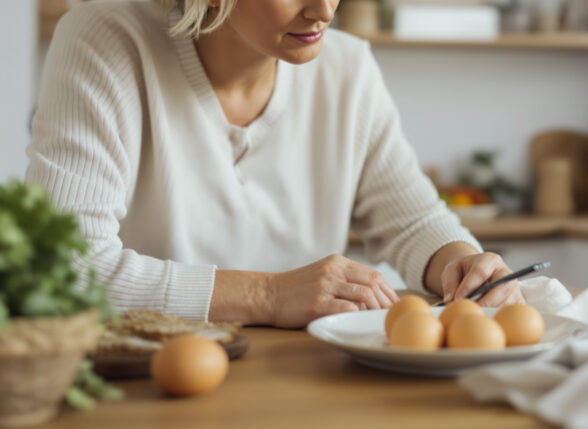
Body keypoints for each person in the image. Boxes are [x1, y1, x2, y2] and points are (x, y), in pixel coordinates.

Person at [26, 0, 524, 328]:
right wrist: (267, 295)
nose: (324, 10)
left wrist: (460, 260)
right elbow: (65, 268)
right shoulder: (106, 39)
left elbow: (413, 220)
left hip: (304, 384)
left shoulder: (348, 68)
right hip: (144, 384)